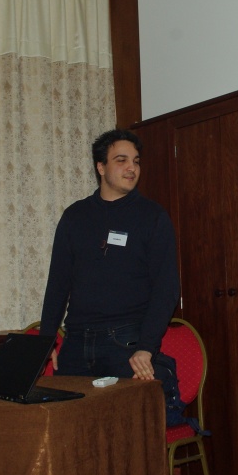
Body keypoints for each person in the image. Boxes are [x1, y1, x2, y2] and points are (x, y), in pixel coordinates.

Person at [39, 128, 179, 382]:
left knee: (131, 410)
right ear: (101, 167)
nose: (132, 168)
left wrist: (146, 347)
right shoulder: (74, 216)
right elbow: (58, 282)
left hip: (127, 344)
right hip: (76, 342)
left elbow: (166, 288)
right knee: (67, 409)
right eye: (121, 160)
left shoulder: (152, 216)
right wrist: (46, 340)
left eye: (136, 161)